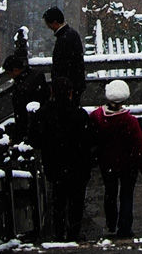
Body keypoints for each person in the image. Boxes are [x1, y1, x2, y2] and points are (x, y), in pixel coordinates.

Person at [89, 79, 142, 239]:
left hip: (107, 163)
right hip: (128, 164)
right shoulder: (130, 121)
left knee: (110, 192)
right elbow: (139, 147)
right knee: (126, 194)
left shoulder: (97, 117)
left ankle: (111, 223)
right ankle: (124, 228)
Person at [35, 76, 92, 242]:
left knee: (58, 201)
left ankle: (59, 233)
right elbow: (89, 141)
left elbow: (36, 138)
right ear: (71, 94)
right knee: (76, 201)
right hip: (77, 165)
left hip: (54, 164)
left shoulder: (44, 113)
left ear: (52, 92)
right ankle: (74, 232)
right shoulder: (80, 115)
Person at [42, 6, 85, 107]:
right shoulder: (71, 34)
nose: (48, 26)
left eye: (48, 24)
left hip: (67, 87)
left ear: (55, 22)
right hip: (74, 85)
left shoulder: (64, 39)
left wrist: (58, 84)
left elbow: (62, 65)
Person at [2, 53, 48, 141]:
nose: (9, 76)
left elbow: (20, 115)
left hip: (31, 127)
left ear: (15, 70)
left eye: (9, 73)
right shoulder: (36, 75)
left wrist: (16, 137)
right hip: (42, 123)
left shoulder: (21, 87)